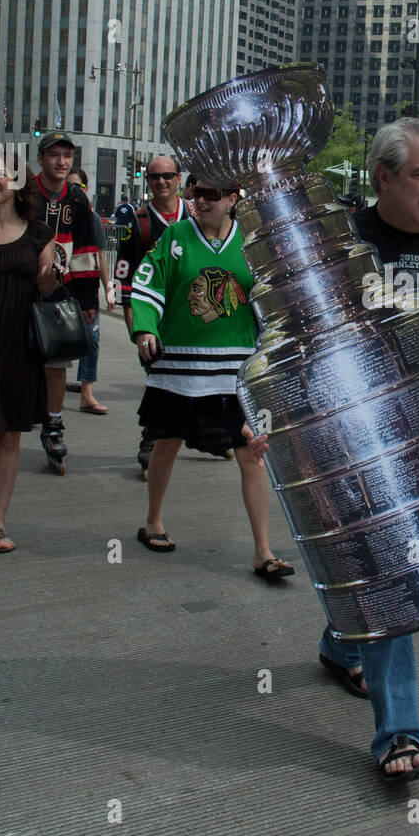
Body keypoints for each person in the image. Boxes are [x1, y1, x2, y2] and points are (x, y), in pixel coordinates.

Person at [258, 118, 419, 782]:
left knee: (382, 582)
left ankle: (339, 640)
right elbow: (285, 334)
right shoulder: (336, 246)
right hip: (352, 447)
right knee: (392, 576)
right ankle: (398, 734)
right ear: (383, 176)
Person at [129, 179, 293, 581]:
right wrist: (145, 328)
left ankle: (263, 551)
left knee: (250, 454)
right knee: (166, 444)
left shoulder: (252, 243)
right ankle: (153, 521)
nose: (200, 201)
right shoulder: (176, 235)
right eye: (196, 193)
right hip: (178, 369)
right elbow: (148, 283)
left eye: (211, 195)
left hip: (233, 372)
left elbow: (274, 296)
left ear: (233, 200)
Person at [0, 164, 60, 550]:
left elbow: (47, 284)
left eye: (1, 174)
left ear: (18, 185)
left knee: (9, 437)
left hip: (18, 346)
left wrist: (49, 281)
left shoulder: (38, 233)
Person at [114, 156, 189, 472]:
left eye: (167, 176)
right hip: (154, 317)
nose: (161, 182)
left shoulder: (195, 214)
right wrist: (129, 311)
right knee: (158, 379)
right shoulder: (138, 219)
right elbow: (123, 269)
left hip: (193, 316)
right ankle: (150, 438)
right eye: (154, 177)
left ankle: (213, 432)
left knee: (199, 381)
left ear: (179, 178)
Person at [34, 133, 100, 469]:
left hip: (63, 290)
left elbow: (87, 248)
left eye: (67, 156)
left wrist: (88, 298)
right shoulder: (24, 193)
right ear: (41, 158)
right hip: (21, 287)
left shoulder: (77, 198)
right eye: (54, 155)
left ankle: (54, 427)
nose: (61, 162)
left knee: (57, 362)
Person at [65, 169, 116, 414]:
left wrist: (108, 289)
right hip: (60, 287)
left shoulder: (92, 218)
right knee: (53, 343)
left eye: (79, 188)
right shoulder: (54, 215)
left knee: (91, 341)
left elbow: (100, 257)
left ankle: (87, 393)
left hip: (85, 289)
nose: (75, 193)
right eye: (70, 187)